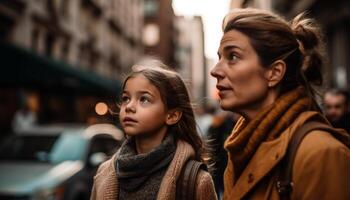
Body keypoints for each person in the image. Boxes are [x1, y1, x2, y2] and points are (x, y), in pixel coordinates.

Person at [210, 8, 350, 200]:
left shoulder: (321, 153)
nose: (215, 70)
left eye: (233, 56)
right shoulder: (241, 149)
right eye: (219, 58)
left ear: (275, 73)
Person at [91, 60, 217, 200]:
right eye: (126, 98)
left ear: (172, 115)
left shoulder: (196, 181)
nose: (129, 107)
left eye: (144, 99)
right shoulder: (103, 173)